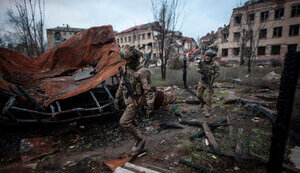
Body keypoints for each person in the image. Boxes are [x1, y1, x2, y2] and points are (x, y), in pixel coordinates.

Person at [114, 45, 156, 156]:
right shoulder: (127, 68)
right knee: (133, 122)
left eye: (128, 59)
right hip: (127, 99)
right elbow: (122, 83)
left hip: (136, 100)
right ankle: (138, 143)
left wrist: (150, 106)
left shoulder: (142, 72)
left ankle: (140, 140)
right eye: (125, 60)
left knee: (124, 122)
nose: (126, 61)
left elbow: (149, 91)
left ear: (134, 58)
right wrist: (117, 97)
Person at [196, 48, 219, 117]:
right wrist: (200, 71)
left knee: (209, 98)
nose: (207, 57)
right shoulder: (202, 62)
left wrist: (212, 76)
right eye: (206, 56)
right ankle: (202, 102)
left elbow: (217, 73)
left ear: (211, 57)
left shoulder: (215, 64)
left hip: (209, 83)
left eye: (209, 56)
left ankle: (208, 111)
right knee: (198, 96)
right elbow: (197, 68)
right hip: (202, 81)